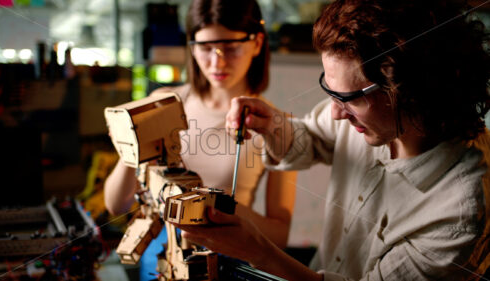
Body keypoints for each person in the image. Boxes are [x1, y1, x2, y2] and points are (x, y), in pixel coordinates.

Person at [175, 0, 490, 280]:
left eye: (348, 98)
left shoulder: (457, 214)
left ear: (411, 93)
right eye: (330, 91)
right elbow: (311, 139)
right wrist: (272, 125)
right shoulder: (366, 114)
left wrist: (260, 252)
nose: (336, 113)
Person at [104, 0, 297, 279]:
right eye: (205, 48)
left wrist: (215, 205)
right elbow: (116, 205)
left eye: (230, 48)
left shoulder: (278, 127)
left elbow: (279, 236)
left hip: (222, 264)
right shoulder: (161, 104)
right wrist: (130, 145)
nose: (217, 61)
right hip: (160, 259)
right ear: (191, 46)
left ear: (257, 43)